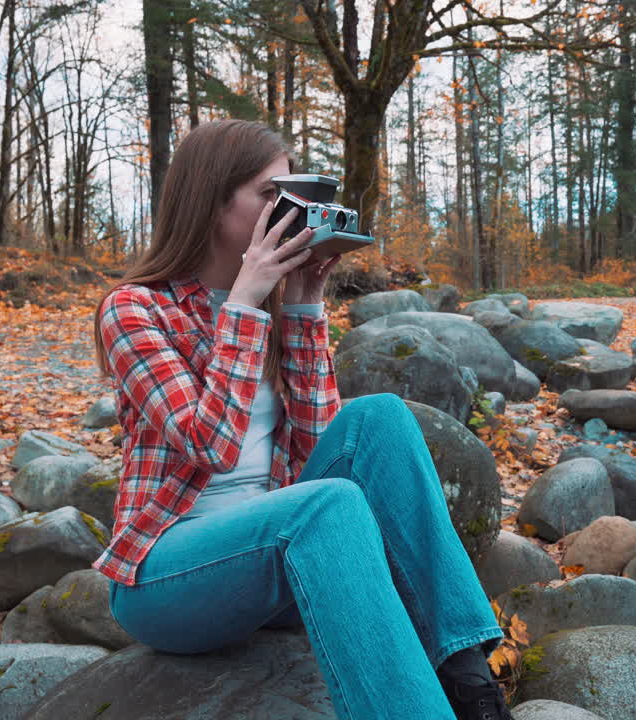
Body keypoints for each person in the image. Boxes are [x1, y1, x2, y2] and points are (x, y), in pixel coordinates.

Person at [91, 118, 510, 720]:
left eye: (294, 195)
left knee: (379, 419)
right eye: (270, 196)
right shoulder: (134, 309)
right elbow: (211, 445)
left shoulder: (273, 305)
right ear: (211, 203)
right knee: (328, 506)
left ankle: (469, 683)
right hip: (167, 578)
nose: (288, 212)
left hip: (280, 560)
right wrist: (244, 302)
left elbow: (318, 448)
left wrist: (306, 305)